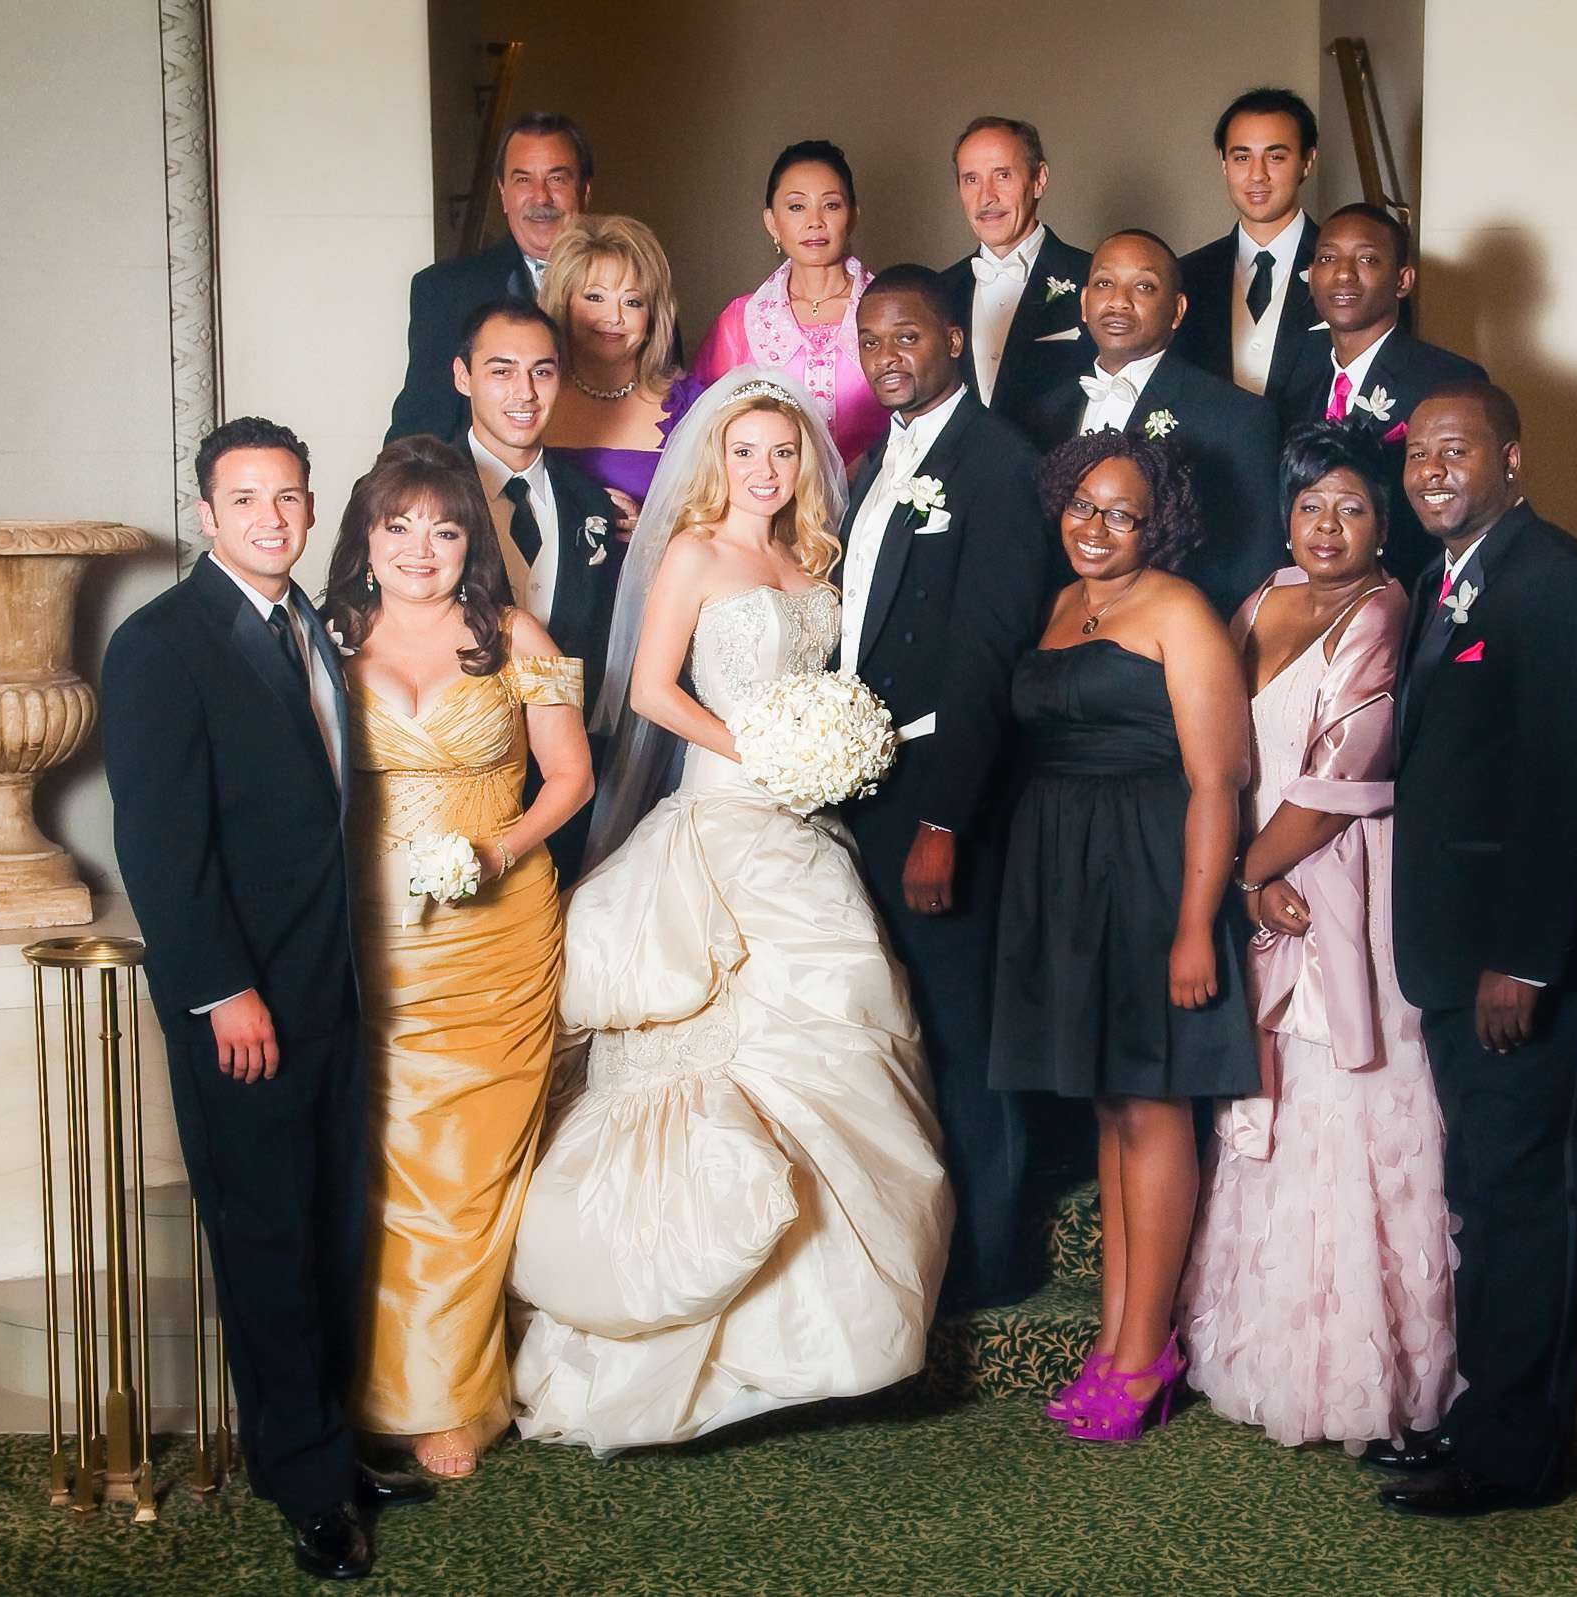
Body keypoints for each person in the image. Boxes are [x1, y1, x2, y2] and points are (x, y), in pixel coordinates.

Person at [506, 368, 951, 1452]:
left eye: (782, 453)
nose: (764, 469)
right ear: (716, 460)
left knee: (839, 1037)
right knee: (714, 1053)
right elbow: (653, 690)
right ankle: (683, 1353)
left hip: (805, 829)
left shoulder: (812, 561)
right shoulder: (695, 554)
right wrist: (761, 749)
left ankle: (819, 1345)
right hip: (720, 823)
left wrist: (828, 750)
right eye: (745, 451)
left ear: (806, 462)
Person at [101, 418, 432, 1580]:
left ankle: (331, 1448)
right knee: (268, 1240)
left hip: (332, 985)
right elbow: (157, 842)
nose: (270, 519)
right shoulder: (161, 644)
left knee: (335, 1227)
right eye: (245, 500)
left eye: (288, 497)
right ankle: (302, 1483)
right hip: (242, 1003)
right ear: (205, 513)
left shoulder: (311, 628)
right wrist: (220, 989)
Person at [1377, 380, 1577, 1516]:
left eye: (1459, 448)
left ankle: (1516, 1456)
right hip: (1463, 956)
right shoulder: (1455, 581)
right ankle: (1482, 1421)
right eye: (1419, 453)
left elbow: (1567, 788)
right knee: (1486, 1194)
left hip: (1528, 967)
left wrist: (1526, 959)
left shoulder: (1560, 586)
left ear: (1513, 460)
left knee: (1527, 1200)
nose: (1434, 468)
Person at [1179, 419, 1460, 1451]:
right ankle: (1265, 1346)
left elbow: (1341, 776)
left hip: (1340, 882)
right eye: (1310, 506)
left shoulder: (1383, 610)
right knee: (1274, 1108)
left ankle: (1359, 1372)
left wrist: (1253, 872)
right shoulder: (1261, 595)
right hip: (1261, 872)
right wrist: (1244, 876)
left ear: (1384, 521)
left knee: (1343, 1102)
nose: (1327, 527)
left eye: (1350, 507)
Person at [320, 436, 592, 1480]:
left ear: (470, 537)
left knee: (472, 1172)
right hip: (371, 938)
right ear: (365, 538)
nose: (420, 548)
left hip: (499, 932)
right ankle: (372, 1379)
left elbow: (569, 776)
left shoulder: (519, 630)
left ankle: (454, 1395)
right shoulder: (326, 637)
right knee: (385, 1163)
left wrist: (498, 849)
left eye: (442, 527)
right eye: (397, 526)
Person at [990, 430, 1255, 1442]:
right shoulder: (1064, 605)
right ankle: (1113, 1338)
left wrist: (1196, 927)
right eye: (1082, 505)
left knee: (1152, 1106)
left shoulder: (1179, 612)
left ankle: (1148, 1355)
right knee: (1112, 1110)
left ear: (1161, 525)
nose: (1095, 527)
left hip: (1149, 872)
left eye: (1122, 513)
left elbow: (1215, 780)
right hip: (1061, 871)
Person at [842, 266, 1050, 1311]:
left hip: (940, 789)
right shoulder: (873, 463)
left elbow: (988, 656)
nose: (887, 356)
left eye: (907, 337)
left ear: (954, 342)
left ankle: (999, 1265)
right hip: (863, 784)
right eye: (871, 339)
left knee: (966, 1032)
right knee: (906, 1022)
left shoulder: (1000, 462)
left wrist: (943, 820)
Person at [450, 297, 622, 880]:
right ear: (462, 376)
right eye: (501, 371)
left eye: (541, 372)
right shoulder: (412, 493)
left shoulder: (593, 504)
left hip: (569, 786)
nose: (524, 392)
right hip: (455, 780)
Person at [1024, 230, 1278, 615]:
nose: (1119, 302)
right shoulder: (1043, 415)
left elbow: (1252, 572)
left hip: (1171, 649)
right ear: (1084, 303)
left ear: (1177, 310)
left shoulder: (1238, 418)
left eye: (1143, 286)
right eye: (1104, 283)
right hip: (1053, 637)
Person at [1278, 203, 1486, 586]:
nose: (1343, 273)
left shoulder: (1446, 380)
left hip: (1408, 594)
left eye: (1367, 259)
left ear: (1403, 281)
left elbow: (1470, 516)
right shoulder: (1292, 376)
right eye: (1327, 258)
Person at [390, 112, 593, 440]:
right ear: (503, 193)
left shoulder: (637, 292)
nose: (541, 197)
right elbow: (419, 432)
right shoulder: (445, 291)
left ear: (584, 191)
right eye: (523, 180)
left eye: (557, 179)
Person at [694, 140, 887, 468]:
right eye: (797, 207)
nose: (815, 221)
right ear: (771, 222)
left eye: (831, 205)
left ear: (853, 216)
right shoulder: (741, 322)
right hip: (771, 506)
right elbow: (709, 432)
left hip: (878, 502)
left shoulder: (890, 311)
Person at [536, 212, 708, 525]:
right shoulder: (530, 397)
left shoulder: (694, 407)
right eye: (594, 297)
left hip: (658, 573)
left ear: (653, 316)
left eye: (632, 302)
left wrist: (652, 532)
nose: (614, 317)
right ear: (563, 304)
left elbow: (727, 526)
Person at [938, 116, 1093, 433]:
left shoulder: (1093, 279)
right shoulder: (936, 295)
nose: (986, 197)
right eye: (971, 179)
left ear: (1039, 179)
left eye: (1002, 175)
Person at [1177, 88, 1320, 401]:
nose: (1258, 175)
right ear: (1224, 163)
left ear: (1307, 161)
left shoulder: (1343, 268)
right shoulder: (1187, 274)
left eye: (1275, 157)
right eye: (1242, 157)